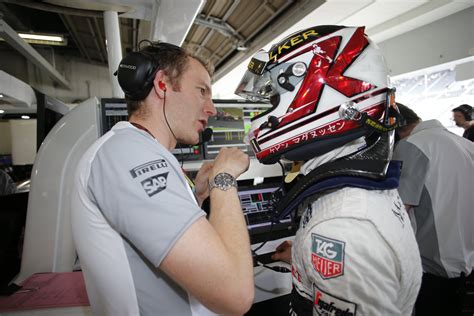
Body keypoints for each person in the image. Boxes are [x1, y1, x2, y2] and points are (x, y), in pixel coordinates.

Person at [235, 25, 422, 315]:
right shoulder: (354, 193)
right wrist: (302, 256)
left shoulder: (343, 230)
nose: (267, 112)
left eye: (274, 99)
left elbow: (344, 240)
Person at [70, 42, 254, 315]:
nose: (212, 109)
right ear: (162, 85)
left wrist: (198, 195)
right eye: (202, 91)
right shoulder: (128, 153)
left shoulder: (142, 151)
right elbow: (235, 293)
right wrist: (223, 179)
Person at [393, 103, 474, 316]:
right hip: (464, 258)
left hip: (430, 265)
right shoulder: (464, 143)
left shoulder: (411, 145)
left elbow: (399, 208)